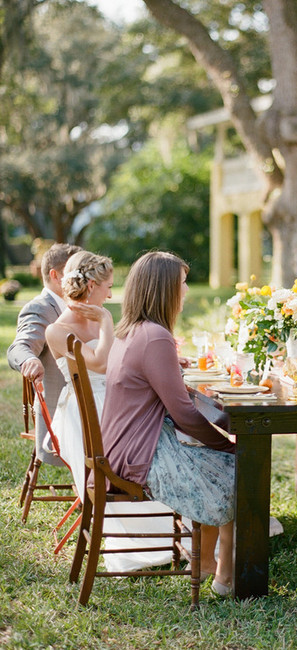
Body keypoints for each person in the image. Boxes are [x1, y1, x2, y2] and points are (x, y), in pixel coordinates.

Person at [101, 251, 236, 596]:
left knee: (217, 461)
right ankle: (228, 572)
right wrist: (227, 443)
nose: (187, 291)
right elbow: (186, 416)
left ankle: (207, 562)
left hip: (124, 445)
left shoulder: (131, 331)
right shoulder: (155, 336)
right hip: (141, 453)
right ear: (164, 290)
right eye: (182, 283)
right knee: (239, 466)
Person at [45, 250, 115, 495]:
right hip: (85, 413)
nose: (110, 294)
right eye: (108, 287)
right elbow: (102, 364)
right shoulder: (57, 331)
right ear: (93, 285)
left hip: (113, 404)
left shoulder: (98, 320)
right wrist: (107, 321)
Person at [7, 242, 82, 467]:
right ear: (55, 275)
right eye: (77, 273)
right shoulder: (40, 308)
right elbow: (19, 347)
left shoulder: (79, 306)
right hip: (65, 413)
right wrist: (29, 359)